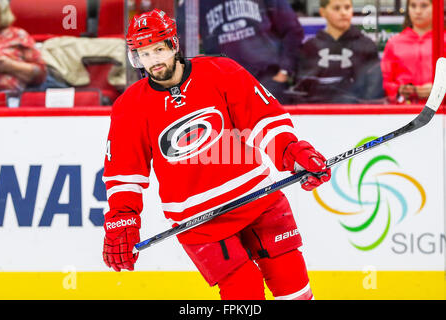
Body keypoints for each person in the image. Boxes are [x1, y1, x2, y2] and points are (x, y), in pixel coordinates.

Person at [101, 9, 331, 300]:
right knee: (243, 293)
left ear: (173, 44)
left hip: (259, 201)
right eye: (144, 54)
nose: (153, 61)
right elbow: (124, 174)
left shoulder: (221, 71)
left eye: (158, 49)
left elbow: (264, 121)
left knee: (293, 287)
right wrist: (123, 219)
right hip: (200, 223)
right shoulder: (129, 107)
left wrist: (291, 151)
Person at [176, 0, 305, 105]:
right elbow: (180, 45)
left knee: (274, 133)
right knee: (231, 136)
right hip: (223, 87)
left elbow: (292, 30)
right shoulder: (195, 3)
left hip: (267, 82)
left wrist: (284, 71)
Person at [294, 0, 383, 104]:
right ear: (323, 12)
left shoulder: (367, 46)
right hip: (315, 115)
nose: (343, 13)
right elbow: (301, 89)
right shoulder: (310, 47)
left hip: (357, 115)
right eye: (336, 8)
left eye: (347, 7)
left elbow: (374, 89)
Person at [381, 0, 443, 104]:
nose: (418, 11)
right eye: (413, 6)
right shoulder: (394, 43)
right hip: (402, 112)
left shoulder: (443, 40)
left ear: (436, 8)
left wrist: (440, 90)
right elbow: (384, 82)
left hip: (440, 113)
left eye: (424, 6)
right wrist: (399, 90)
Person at [0, 0, 46, 91]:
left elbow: (41, 74)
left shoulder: (17, 35)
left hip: (10, 99)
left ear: (2, 12)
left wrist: (9, 65)